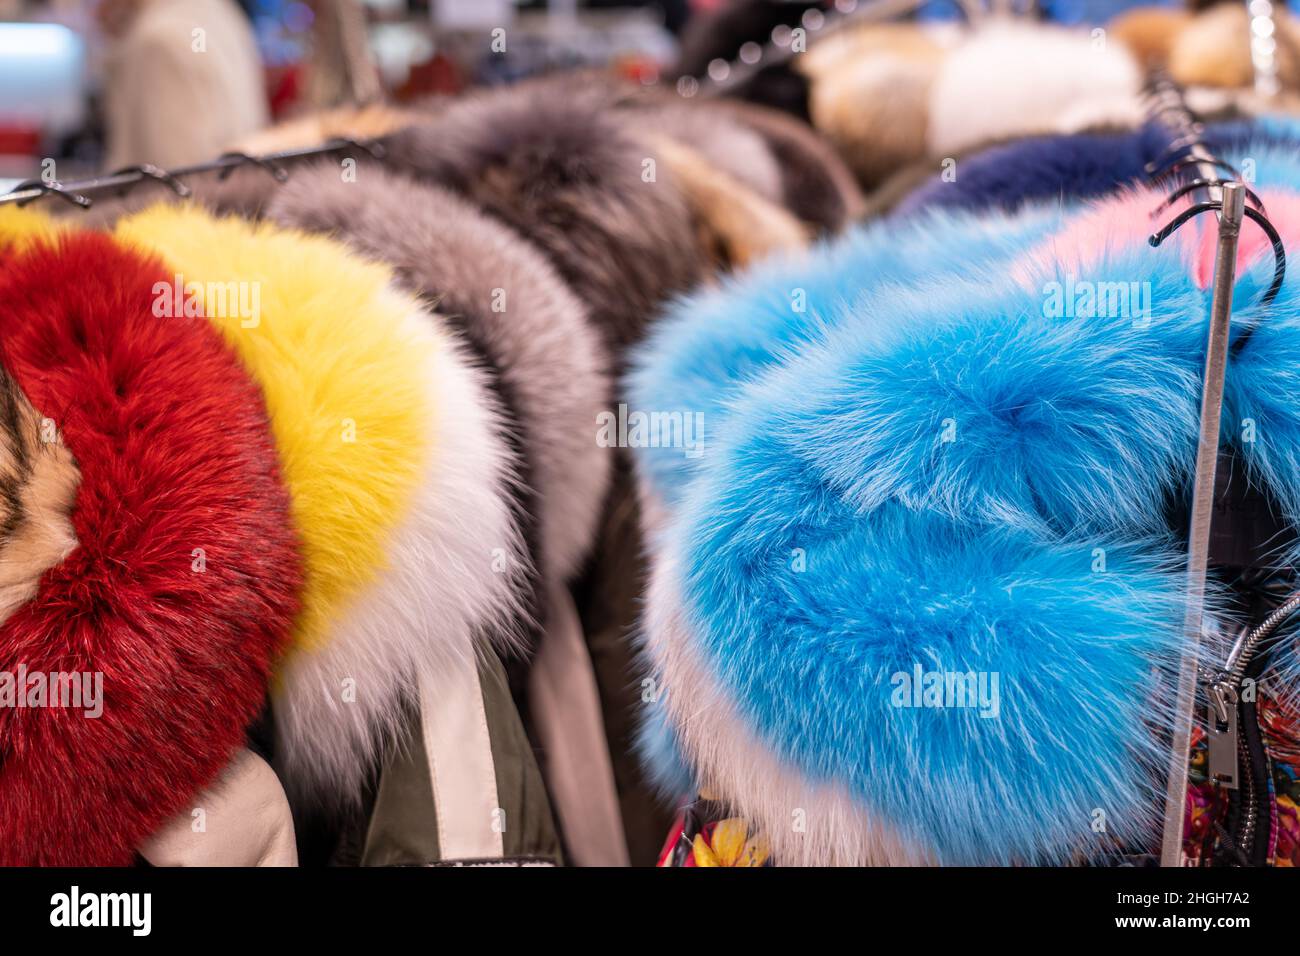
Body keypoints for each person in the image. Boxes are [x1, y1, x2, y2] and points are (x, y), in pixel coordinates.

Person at [97, 0, 269, 169]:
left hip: (174, 193)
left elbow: (182, 178)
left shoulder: (160, 38)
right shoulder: (219, 11)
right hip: (242, 183)